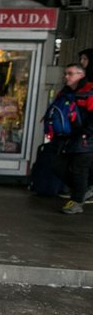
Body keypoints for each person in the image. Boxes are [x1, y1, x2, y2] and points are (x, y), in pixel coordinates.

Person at [48, 63, 93, 214]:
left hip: (85, 138)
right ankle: (83, 190)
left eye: (70, 73)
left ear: (81, 75)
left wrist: (87, 131)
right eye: (66, 73)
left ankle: (77, 201)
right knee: (57, 165)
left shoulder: (89, 92)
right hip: (65, 137)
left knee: (80, 170)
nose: (66, 76)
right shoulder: (65, 93)